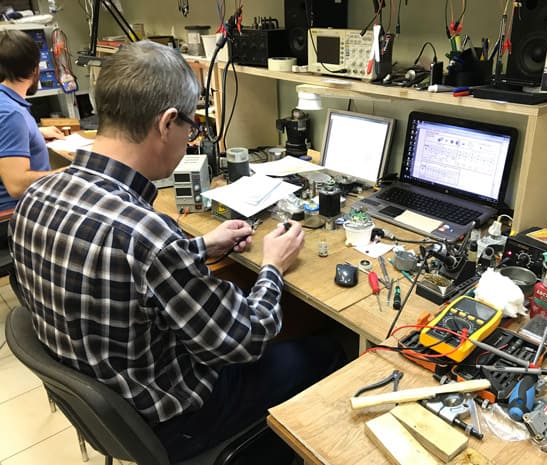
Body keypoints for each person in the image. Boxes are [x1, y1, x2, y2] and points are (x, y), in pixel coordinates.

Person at [10, 40, 345, 463]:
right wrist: (272, 267)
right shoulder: (147, 235)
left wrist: (199, 246)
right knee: (330, 348)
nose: (190, 139)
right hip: (177, 420)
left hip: (115, 411)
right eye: (192, 127)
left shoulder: (38, 194)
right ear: (167, 123)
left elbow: (120, 270)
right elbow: (244, 339)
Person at [0, 29, 65, 213]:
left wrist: (35, 132)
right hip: (16, 214)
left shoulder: (6, 103)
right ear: (35, 69)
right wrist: (71, 173)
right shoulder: (12, 115)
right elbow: (16, 185)